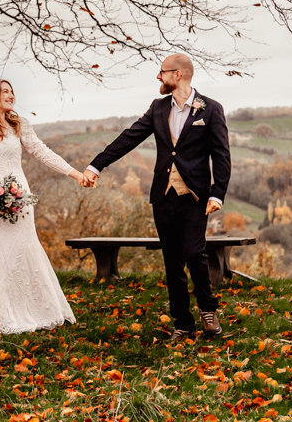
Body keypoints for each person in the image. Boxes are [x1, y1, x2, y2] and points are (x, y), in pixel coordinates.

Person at [84, 54, 231, 344]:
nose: (157, 77)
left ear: (177, 75)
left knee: (194, 253)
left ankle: (207, 309)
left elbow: (222, 155)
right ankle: (183, 323)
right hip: (163, 197)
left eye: (161, 72)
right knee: (172, 260)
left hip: (195, 197)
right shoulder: (157, 108)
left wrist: (217, 193)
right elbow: (129, 138)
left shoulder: (211, 109)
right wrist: (96, 165)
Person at [0, 78, 93, 334]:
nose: (12, 95)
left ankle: (41, 310)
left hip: (19, 201)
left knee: (23, 255)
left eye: (13, 91)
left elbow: (43, 153)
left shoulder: (19, 125)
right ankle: (8, 318)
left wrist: (76, 174)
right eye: (6, 92)